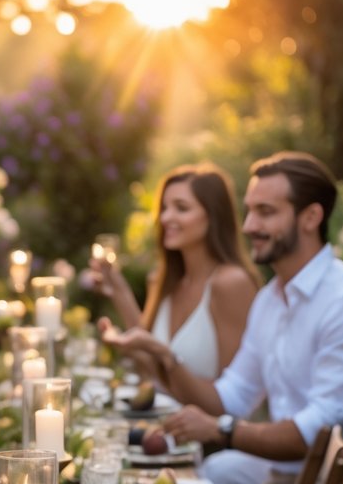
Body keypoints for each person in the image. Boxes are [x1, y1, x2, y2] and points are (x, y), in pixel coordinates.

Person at [101, 151, 343, 484]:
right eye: (248, 212)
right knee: (208, 476)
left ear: (310, 217)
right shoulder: (270, 300)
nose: (249, 226)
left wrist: (221, 429)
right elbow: (231, 397)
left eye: (265, 213)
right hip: (288, 474)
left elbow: (315, 433)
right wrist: (167, 359)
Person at [88, 163, 259, 382]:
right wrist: (118, 292)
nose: (166, 217)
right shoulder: (163, 279)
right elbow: (152, 370)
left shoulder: (231, 283)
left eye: (181, 208)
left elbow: (234, 395)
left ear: (212, 215)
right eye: (164, 208)